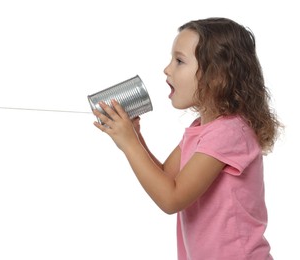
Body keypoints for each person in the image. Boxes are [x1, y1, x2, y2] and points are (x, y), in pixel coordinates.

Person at [92, 17, 280, 260]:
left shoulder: (230, 132)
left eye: (179, 61)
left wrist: (130, 144)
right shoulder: (202, 128)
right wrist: (135, 138)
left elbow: (171, 199)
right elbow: (167, 178)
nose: (167, 69)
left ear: (217, 76)